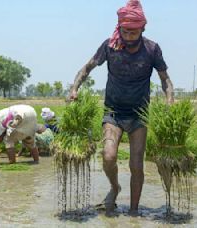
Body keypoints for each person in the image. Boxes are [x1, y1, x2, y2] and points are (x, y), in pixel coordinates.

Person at [68, 0, 174, 216]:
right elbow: (86, 68)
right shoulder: (110, 46)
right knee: (108, 156)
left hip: (139, 115)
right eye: (125, 31)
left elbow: (166, 80)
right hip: (113, 112)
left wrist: (169, 100)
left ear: (142, 28)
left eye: (134, 32)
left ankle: (134, 212)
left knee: (136, 165)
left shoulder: (152, 49)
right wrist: (74, 88)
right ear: (119, 28)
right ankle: (115, 187)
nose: (129, 35)